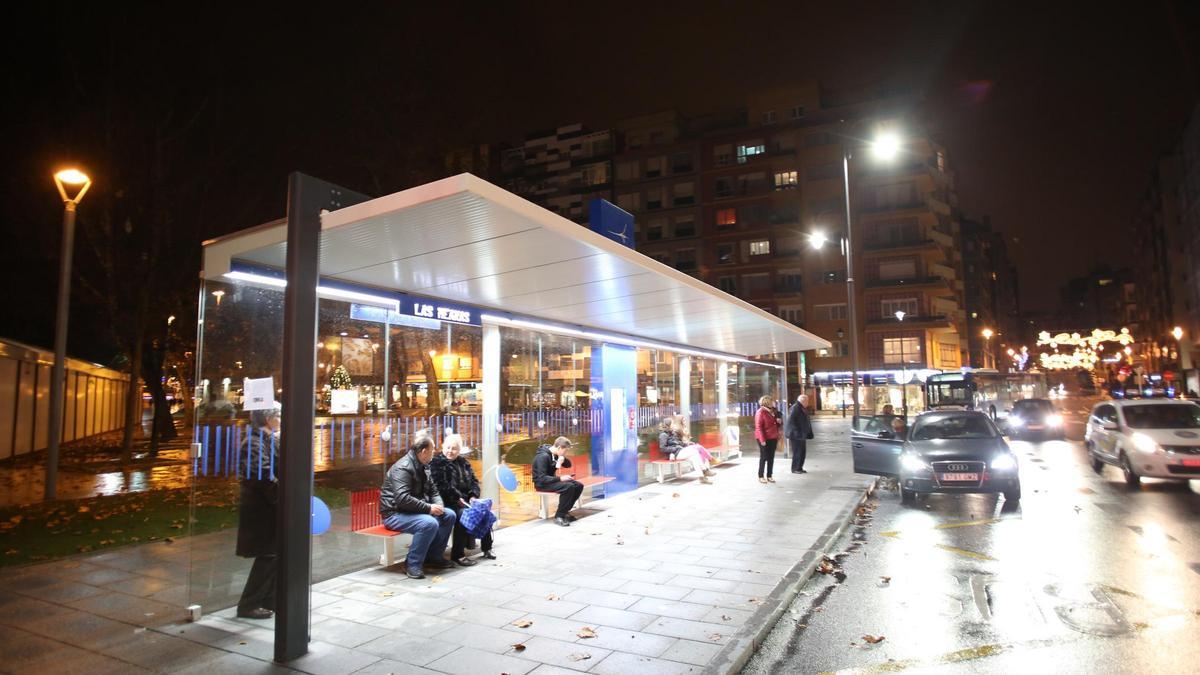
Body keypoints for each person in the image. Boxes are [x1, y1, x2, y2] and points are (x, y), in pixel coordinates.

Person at [380, 431, 457, 579]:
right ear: (423, 452)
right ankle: (412, 564)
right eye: (432, 449)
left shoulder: (424, 465)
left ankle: (433, 557)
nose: (434, 452)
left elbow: (434, 491)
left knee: (449, 515)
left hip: (413, 511)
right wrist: (428, 508)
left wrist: (438, 507)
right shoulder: (403, 468)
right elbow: (403, 499)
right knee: (429, 523)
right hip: (394, 514)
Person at [235, 405, 281, 619]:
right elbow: (262, 474)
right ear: (267, 418)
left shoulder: (267, 439)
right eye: (277, 415)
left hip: (267, 505)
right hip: (261, 507)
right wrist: (281, 493)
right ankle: (250, 603)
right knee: (267, 554)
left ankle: (268, 598)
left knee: (273, 553)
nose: (281, 419)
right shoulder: (254, 442)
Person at [430, 433, 495, 565]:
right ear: (443, 447)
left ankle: (487, 548)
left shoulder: (463, 462)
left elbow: (474, 481)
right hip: (447, 502)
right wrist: (457, 498)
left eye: (454, 448)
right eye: (448, 447)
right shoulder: (437, 463)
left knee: (484, 511)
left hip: (465, 501)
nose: (450, 451)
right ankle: (458, 555)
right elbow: (441, 487)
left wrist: (472, 495)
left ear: (459, 450)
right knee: (462, 516)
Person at [532, 436, 584, 526]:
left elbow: (568, 465)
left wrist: (563, 459)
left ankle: (564, 512)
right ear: (559, 447)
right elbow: (541, 478)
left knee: (578, 485)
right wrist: (560, 478)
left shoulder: (556, 454)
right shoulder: (542, 457)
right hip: (542, 484)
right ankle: (559, 516)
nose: (566, 452)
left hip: (551, 481)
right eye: (565, 450)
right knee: (568, 487)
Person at [662, 419, 715, 483]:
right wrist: (674, 449)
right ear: (669, 425)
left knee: (694, 457)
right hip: (675, 454)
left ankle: (701, 477)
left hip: (680, 451)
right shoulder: (663, 435)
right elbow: (663, 448)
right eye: (673, 424)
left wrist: (687, 444)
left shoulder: (673, 433)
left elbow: (679, 443)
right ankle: (705, 470)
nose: (674, 425)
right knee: (695, 451)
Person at [754, 395, 782, 483]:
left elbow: (773, 424)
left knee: (771, 457)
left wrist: (778, 422)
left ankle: (769, 475)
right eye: (772, 401)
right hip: (764, 438)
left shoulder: (771, 411)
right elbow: (759, 427)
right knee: (764, 457)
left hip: (773, 437)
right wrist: (762, 440)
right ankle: (760, 475)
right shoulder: (760, 412)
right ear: (767, 402)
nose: (773, 403)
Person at [785, 394, 814, 474]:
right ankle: (795, 469)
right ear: (803, 401)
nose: (808, 402)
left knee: (802, 452)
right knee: (797, 452)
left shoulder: (801, 407)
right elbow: (791, 421)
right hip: (796, 435)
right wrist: (797, 431)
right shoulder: (795, 408)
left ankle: (799, 467)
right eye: (807, 401)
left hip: (801, 434)